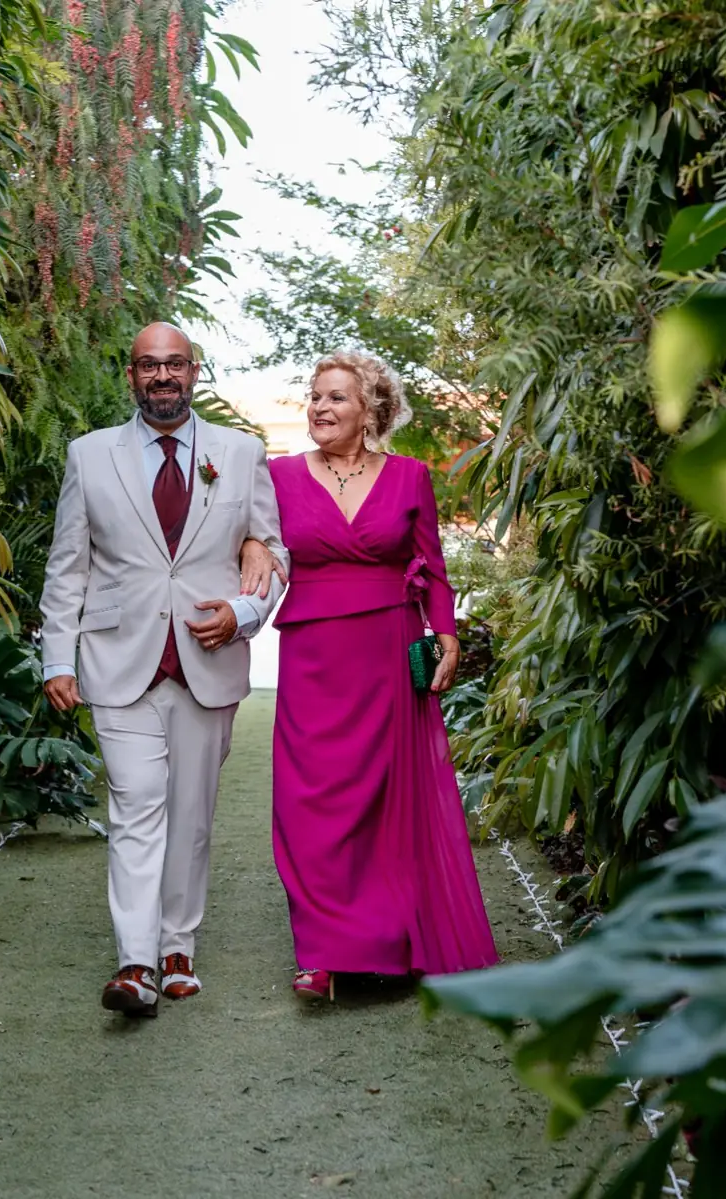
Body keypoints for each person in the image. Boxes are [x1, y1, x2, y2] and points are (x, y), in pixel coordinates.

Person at [40, 322, 288, 1018]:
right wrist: (58, 653)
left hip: (207, 663)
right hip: (118, 661)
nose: (162, 376)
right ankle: (137, 961)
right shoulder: (90, 457)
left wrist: (241, 614)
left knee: (192, 815)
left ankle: (180, 945)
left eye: (174, 363)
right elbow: (68, 567)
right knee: (136, 806)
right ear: (131, 375)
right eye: (148, 365)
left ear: (195, 371)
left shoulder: (241, 454)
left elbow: (272, 555)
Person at [251, 349, 498, 1001]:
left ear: (370, 411)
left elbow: (433, 565)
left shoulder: (411, 476)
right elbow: (255, 538)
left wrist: (445, 632)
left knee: (385, 801)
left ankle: (384, 945)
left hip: (388, 648)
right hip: (313, 656)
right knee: (311, 801)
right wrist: (250, 542)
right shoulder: (276, 476)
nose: (319, 407)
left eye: (336, 397)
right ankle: (322, 952)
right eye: (315, 395)